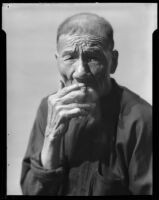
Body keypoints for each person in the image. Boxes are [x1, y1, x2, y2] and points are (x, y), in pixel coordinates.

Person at [20, 13, 152, 196]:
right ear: (57, 60)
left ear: (113, 61)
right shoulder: (49, 108)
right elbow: (30, 192)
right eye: (69, 58)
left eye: (93, 57)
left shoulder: (141, 119)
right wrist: (51, 139)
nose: (80, 72)